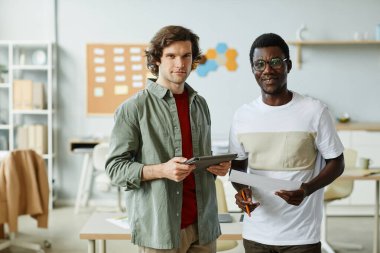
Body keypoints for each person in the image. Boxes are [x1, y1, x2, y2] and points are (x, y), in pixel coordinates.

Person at [105, 25, 230, 253]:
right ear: (157, 60)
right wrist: (161, 170)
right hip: (160, 229)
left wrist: (216, 165)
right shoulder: (134, 108)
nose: (180, 64)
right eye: (171, 56)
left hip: (203, 225)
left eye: (186, 56)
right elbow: (115, 169)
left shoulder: (200, 105)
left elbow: (201, 156)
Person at [229, 33, 345, 253]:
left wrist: (307, 189)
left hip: (301, 236)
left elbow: (337, 163)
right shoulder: (242, 116)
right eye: (259, 64)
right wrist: (242, 193)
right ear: (253, 69)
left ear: (288, 65)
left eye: (275, 62)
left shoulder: (315, 111)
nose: (267, 70)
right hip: (256, 235)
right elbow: (237, 171)